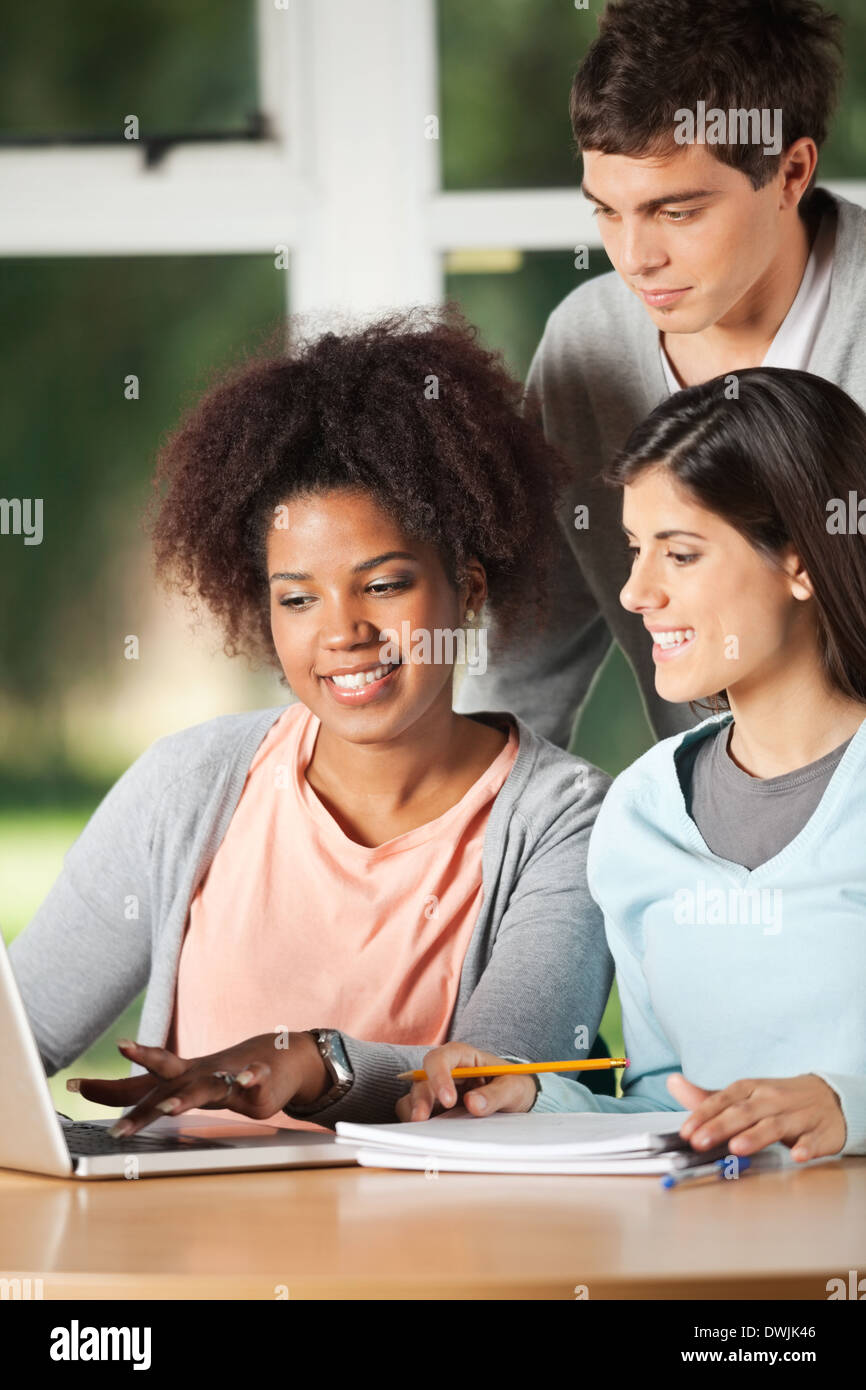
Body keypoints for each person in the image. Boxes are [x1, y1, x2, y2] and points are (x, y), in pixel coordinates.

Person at [9, 306, 614, 1136]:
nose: (342, 633)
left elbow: (503, 1082)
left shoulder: (568, 822)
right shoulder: (188, 782)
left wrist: (316, 1062)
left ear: (468, 590)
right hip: (185, 1258)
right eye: (298, 598)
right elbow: (22, 1036)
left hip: (433, 1260)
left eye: (385, 584)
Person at [402, 368, 866, 1161]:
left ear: (801, 559)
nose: (634, 591)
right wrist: (535, 1096)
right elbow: (667, 1104)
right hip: (702, 1265)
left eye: (680, 555)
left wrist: (843, 1102)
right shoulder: (643, 809)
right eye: (633, 550)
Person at [457, 0, 866, 749]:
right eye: (607, 213)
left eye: (676, 211)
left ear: (789, 171)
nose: (635, 257)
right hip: (708, 834)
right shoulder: (589, 346)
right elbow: (520, 673)